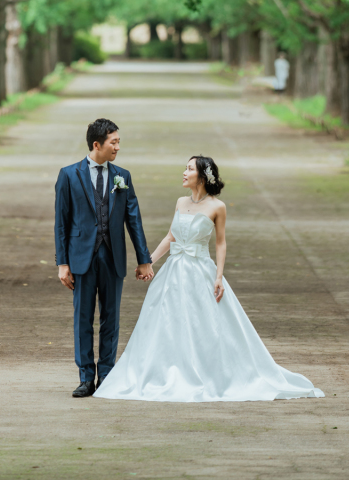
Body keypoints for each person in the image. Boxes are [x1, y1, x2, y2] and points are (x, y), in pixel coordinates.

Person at [95, 154, 324, 402]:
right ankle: (166, 369)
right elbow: (171, 237)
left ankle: (209, 372)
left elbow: (220, 243)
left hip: (200, 271)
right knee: (168, 323)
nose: (184, 173)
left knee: (204, 325)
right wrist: (148, 262)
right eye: (185, 168)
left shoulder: (217, 207)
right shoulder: (180, 202)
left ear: (202, 177)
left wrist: (219, 276)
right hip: (174, 272)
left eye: (189, 169)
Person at [54, 117, 153, 397]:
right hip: (81, 258)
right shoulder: (68, 175)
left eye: (119, 142)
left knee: (111, 318)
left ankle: (107, 375)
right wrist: (62, 263)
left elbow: (134, 219)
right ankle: (86, 377)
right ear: (97, 145)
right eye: (114, 142)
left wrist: (143, 259)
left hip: (113, 257)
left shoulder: (123, 176)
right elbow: (61, 223)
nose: (118, 147)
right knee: (83, 318)